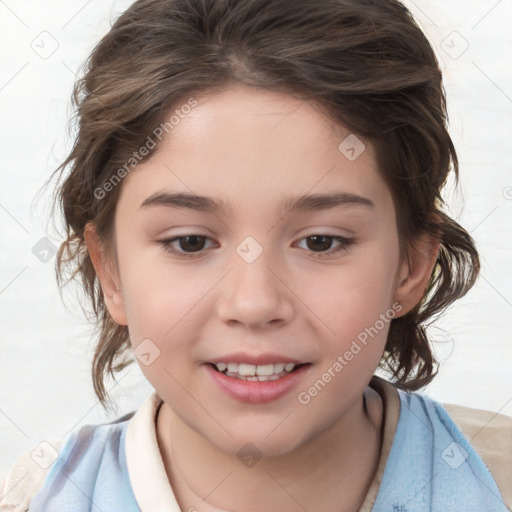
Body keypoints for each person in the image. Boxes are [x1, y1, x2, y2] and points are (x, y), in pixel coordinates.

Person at [1, 0, 510, 510]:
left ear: (411, 266)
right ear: (110, 270)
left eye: (321, 241)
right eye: (190, 242)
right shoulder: (38, 497)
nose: (253, 303)